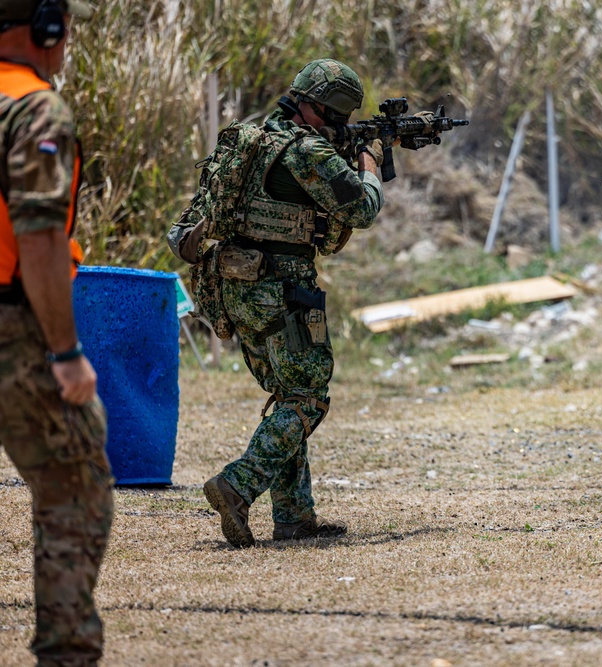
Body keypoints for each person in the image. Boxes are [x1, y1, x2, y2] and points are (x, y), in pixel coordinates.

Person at [168, 59, 386, 548]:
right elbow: (362, 208)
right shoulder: (305, 149)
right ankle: (237, 485)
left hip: (235, 286)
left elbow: (190, 225)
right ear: (320, 110)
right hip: (281, 290)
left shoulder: (249, 141)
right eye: (338, 117)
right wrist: (370, 162)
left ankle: (293, 517)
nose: (340, 127)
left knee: (288, 396)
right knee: (308, 398)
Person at [0, 0, 115, 665]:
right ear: (44, 31)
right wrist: (65, 351)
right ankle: (66, 651)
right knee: (76, 484)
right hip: (14, 329)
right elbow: (39, 234)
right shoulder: (35, 109)